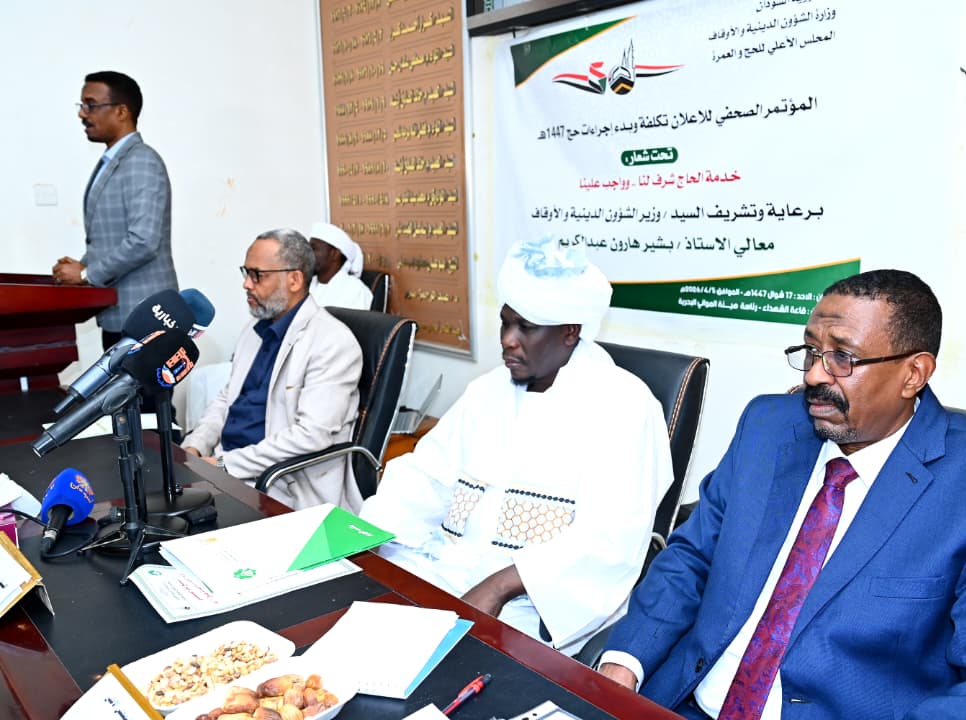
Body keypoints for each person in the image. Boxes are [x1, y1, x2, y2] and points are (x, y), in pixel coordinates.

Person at [598, 269, 966, 719]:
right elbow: (693, 559)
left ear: (913, 373)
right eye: (811, 351)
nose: (814, 376)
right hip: (682, 702)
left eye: (842, 357)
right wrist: (624, 661)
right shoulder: (769, 427)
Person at [360, 238, 674, 655]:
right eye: (505, 323)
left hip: (532, 604)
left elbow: (609, 539)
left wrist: (498, 586)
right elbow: (426, 475)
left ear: (570, 332)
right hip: (447, 569)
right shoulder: (487, 390)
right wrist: (371, 531)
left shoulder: (624, 406)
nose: (508, 340)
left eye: (526, 327)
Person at [182, 229, 365, 514]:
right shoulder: (255, 329)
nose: (246, 284)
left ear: (294, 280)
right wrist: (194, 447)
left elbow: (311, 436)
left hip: (279, 484)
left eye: (258, 275)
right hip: (228, 469)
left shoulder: (332, 342)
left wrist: (223, 465)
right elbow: (228, 398)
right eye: (246, 272)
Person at [53, 71, 177, 350]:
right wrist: (80, 266)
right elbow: (112, 238)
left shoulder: (141, 161)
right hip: (120, 315)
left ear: (121, 111)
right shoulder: (114, 161)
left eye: (91, 105)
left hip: (144, 317)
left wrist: (85, 275)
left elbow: (143, 241)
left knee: (139, 384)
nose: (82, 114)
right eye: (82, 105)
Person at [308, 222, 373, 311]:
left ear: (335, 254)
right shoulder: (308, 284)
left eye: (314, 249)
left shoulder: (355, 291)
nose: (307, 254)